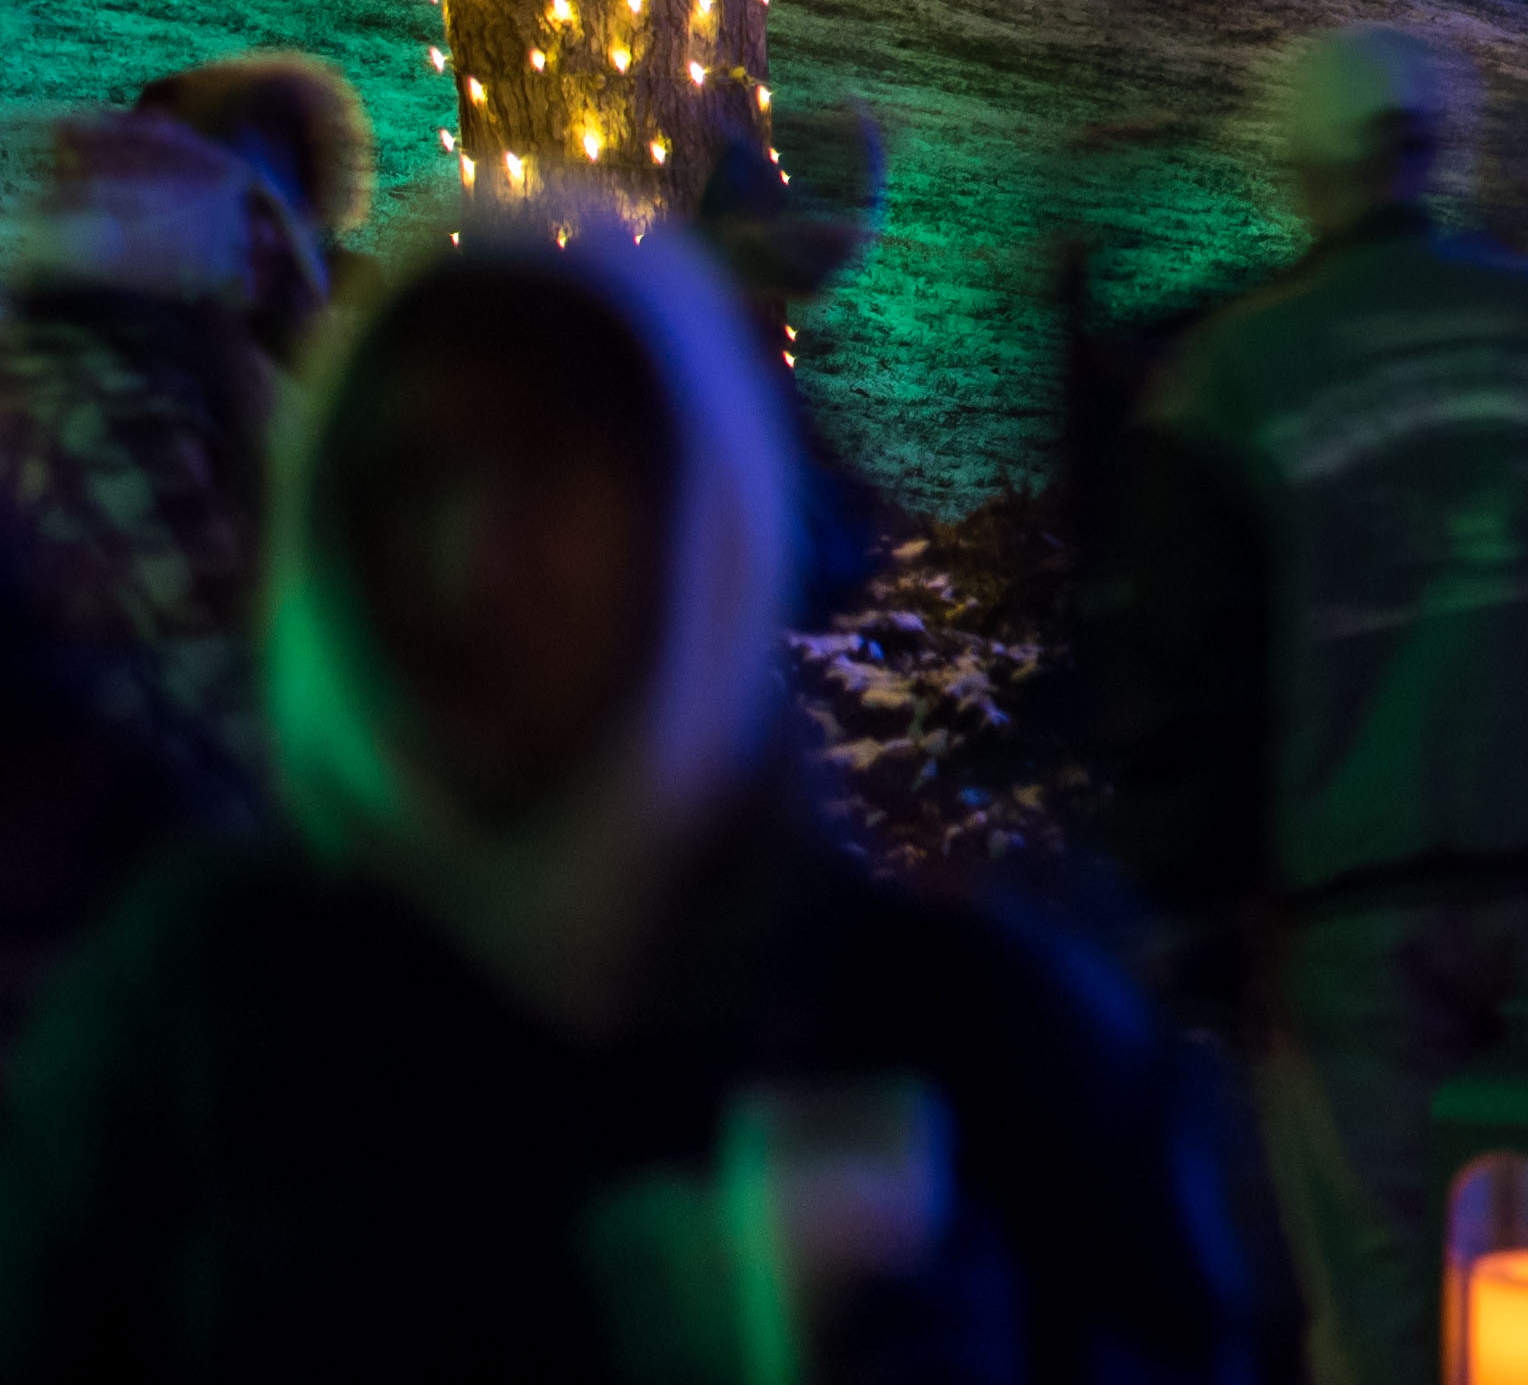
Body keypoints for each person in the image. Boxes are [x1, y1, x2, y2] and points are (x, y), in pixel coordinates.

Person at [0, 202, 1229, 1378]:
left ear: (700, 525)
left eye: (548, 467)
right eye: (411, 478)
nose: (474, 555)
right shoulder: (195, 1029)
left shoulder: (975, 1050)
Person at [1100, 30, 1528, 1385]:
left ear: (1300, 167)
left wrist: (1200, 912)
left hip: (1359, 924)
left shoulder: (1233, 378)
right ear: (1441, 146)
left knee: (1390, 1291)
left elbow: (1185, 683)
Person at [0, 96, 334, 1050]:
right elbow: (212, 697)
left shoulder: (126, 378)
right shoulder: (118, 410)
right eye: (261, 239)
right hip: (105, 950)